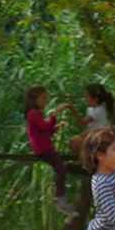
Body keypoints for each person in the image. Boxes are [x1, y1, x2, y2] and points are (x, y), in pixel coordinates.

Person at [24, 85, 74, 215]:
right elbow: (44, 127)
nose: (45, 101)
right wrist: (55, 113)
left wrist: (55, 127)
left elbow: (45, 131)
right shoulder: (33, 114)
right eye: (43, 98)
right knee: (60, 170)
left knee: (61, 169)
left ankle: (62, 200)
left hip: (45, 147)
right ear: (34, 99)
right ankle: (61, 201)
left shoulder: (36, 114)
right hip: (43, 149)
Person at [67, 83, 114, 155]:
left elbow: (82, 122)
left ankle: (89, 160)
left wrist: (73, 109)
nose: (85, 98)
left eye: (87, 96)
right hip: (95, 136)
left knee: (76, 143)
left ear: (95, 99)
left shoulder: (99, 110)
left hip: (101, 139)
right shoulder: (93, 109)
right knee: (72, 141)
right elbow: (94, 127)